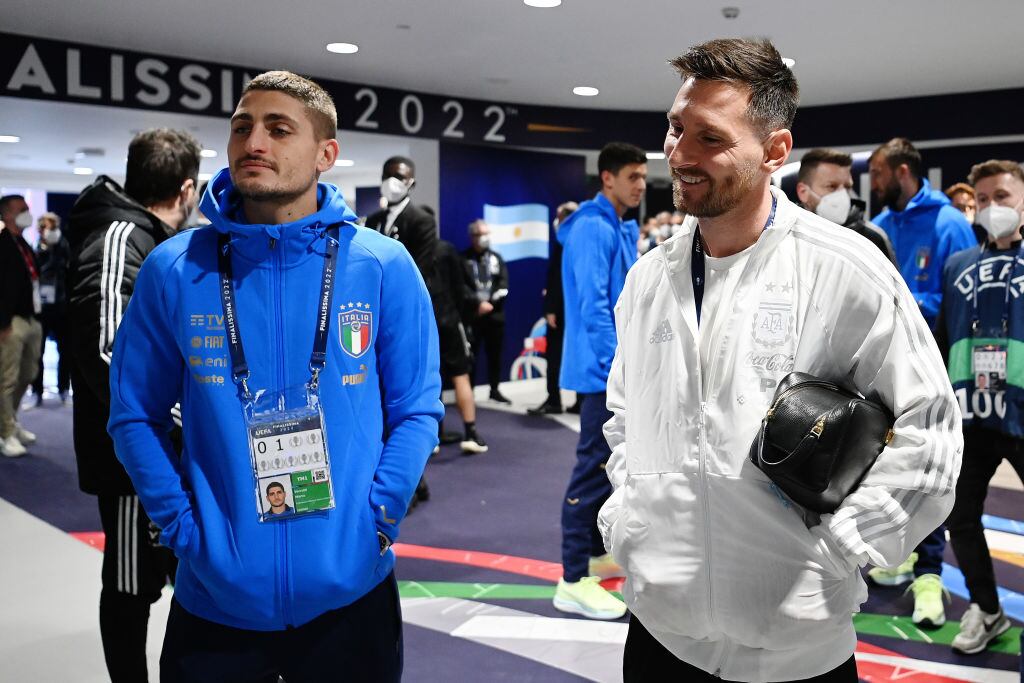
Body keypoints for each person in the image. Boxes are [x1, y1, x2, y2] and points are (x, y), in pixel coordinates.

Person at [603, 39, 961, 682]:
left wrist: (838, 551)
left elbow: (930, 430)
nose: (679, 154)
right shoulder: (648, 281)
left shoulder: (844, 270)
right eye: (675, 128)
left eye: (709, 138)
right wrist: (625, 523)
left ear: (774, 151)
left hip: (797, 655)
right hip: (660, 634)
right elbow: (625, 417)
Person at [107, 70, 442, 682]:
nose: (252, 142)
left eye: (278, 128)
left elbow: (417, 408)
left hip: (351, 596)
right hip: (215, 601)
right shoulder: (175, 270)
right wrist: (184, 531)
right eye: (242, 127)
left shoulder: (382, 265)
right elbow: (134, 415)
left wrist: (378, 518)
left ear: (326, 154)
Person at [66, 127, 200, 682]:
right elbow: (105, 349)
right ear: (187, 188)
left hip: (162, 450)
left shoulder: (154, 241)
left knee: (179, 578)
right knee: (129, 585)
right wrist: (174, 423)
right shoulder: (124, 237)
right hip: (132, 460)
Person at [867, 137, 975, 627]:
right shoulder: (883, 226)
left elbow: (961, 302)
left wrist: (905, 304)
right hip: (880, 368)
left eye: (879, 173)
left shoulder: (950, 223)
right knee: (884, 465)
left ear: (904, 171)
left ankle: (930, 576)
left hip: (930, 369)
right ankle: (899, 552)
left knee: (931, 470)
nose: (873, 183)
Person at [552, 142, 646, 620]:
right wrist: (618, 368)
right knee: (591, 470)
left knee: (606, 466)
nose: (641, 183)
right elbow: (595, 308)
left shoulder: (613, 225)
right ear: (606, 178)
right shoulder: (592, 228)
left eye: (643, 175)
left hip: (607, 369)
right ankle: (571, 580)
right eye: (632, 175)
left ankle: (589, 555)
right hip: (600, 371)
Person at [938, 159, 1024, 655]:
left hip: (1022, 416)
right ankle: (988, 609)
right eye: (984, 198)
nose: (992, 207)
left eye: (1003, 197)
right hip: (971, 416)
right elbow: (946, 337)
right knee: (961, 517)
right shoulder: (957, 265)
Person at [435, 238, 489, 454]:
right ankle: (471, 433)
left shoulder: (407, 247)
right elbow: (460, 288)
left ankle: (434, 437)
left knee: (430, 378)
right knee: (460, 375)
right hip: (449, 320)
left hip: (423, 322)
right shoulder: (446, 248)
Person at [796, 148, 896, 263]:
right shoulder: (783, 235)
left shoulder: (872, 239)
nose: (842, 194)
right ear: (803, 192)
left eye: (847, 187)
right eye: (832, 186)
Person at [0, 194, 43, 457]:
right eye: (22, 209)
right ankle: (5, 433)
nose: (28, 212)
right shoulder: (2, 244)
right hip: (10, 322)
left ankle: (11, 422)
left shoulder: (23, 244)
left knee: (27, 374)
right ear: (6, 215)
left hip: (31, 318)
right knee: (7, 378)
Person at [529, 201, 578, 416]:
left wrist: (550, 307)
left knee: (555, 355)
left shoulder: (563, 239)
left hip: (560, 311)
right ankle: (580, 401)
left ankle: (554, 400)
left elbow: (558, 277)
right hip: (575, 309)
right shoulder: (580, 239)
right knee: (576, 353)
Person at [464, 219, 510, 403]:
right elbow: (461, 286)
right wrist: (477, 303)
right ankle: (469, 392)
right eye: (480, 234)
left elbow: (504, 285)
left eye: (486, 234)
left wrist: (489, 303)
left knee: (495, 355)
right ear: (472, 237)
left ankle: (495, 389)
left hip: (494, 316)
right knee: (471, 357)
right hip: (473, 316)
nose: (484, 238)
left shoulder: (497, 258)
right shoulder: (463, 259)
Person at [31, 212, 72, 404]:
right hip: (41, 308)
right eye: (42, 227)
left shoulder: (63, 246)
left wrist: (55, 244)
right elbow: (36, 270)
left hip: (62, 307)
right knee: (37, 352)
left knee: (65, 351)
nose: (45, 230)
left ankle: (63, 388)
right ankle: (37, 391)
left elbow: (66, 267)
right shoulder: (36, 248)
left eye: (49, 226)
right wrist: (44, 248)